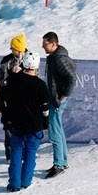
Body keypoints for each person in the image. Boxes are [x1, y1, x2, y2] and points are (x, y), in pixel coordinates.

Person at [2, 51, 50, 192]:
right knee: (30, 153)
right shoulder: (41, 85)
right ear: (36, 66)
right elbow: (45, 108)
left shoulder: (13, 80)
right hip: (35, 126)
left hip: (17, 123)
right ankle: (26, 182)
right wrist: (45, 122)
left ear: (24, 64)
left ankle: (14, 184)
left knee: (16, 152)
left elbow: (6, 98)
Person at [41, 32, 75, 178]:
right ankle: (63, 161)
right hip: (54, 99)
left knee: (54, 133)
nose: (43, 46)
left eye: (45, 43)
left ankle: (59, 164)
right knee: (58, 131)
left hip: (56, 101)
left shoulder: (59, 59)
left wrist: (62, 97)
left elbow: (71, 78)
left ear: (54, 44)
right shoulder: (54, 58)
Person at [0, 34, 27, 161]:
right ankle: (10, 153)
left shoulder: (30, 59)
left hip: (25, 102)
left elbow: (35, 79)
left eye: (13, 48)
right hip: (8, 101)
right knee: (9, 128)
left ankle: (26, 152)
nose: (11, 50)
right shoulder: (6, 61)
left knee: (26, 127)